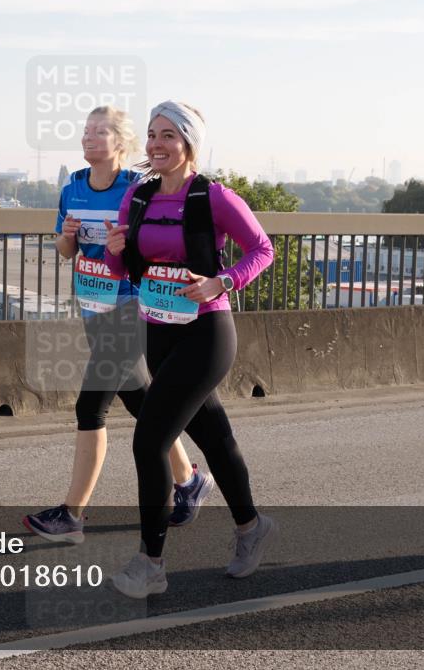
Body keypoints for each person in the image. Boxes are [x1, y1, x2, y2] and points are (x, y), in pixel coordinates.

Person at [103, 100, 277, 597]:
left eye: (168, 136)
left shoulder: (215, 197)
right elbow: (125, 272)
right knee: (215, 436)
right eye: (152, 135)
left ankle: (150, 564)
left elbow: (263, 250)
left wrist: (221, 281)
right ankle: (251, 528)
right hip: (158, 329)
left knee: (150, 440)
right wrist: (115, 253)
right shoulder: (137, 199)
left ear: (188, 144)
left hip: (207, 333)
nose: (156, 144)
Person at [23, 105, 215, 545]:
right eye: (86, 131)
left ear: (121, 142)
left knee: (90, 407)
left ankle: (72, 515)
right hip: (94, 306)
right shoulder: (73, 186)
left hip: (131, 308)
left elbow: (153, 250)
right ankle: (188, 482)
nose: (90, 138)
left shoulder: (138, 189)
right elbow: (64, 250)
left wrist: (123, 247)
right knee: (143, 405)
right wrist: (68, 237)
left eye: (100, 131)